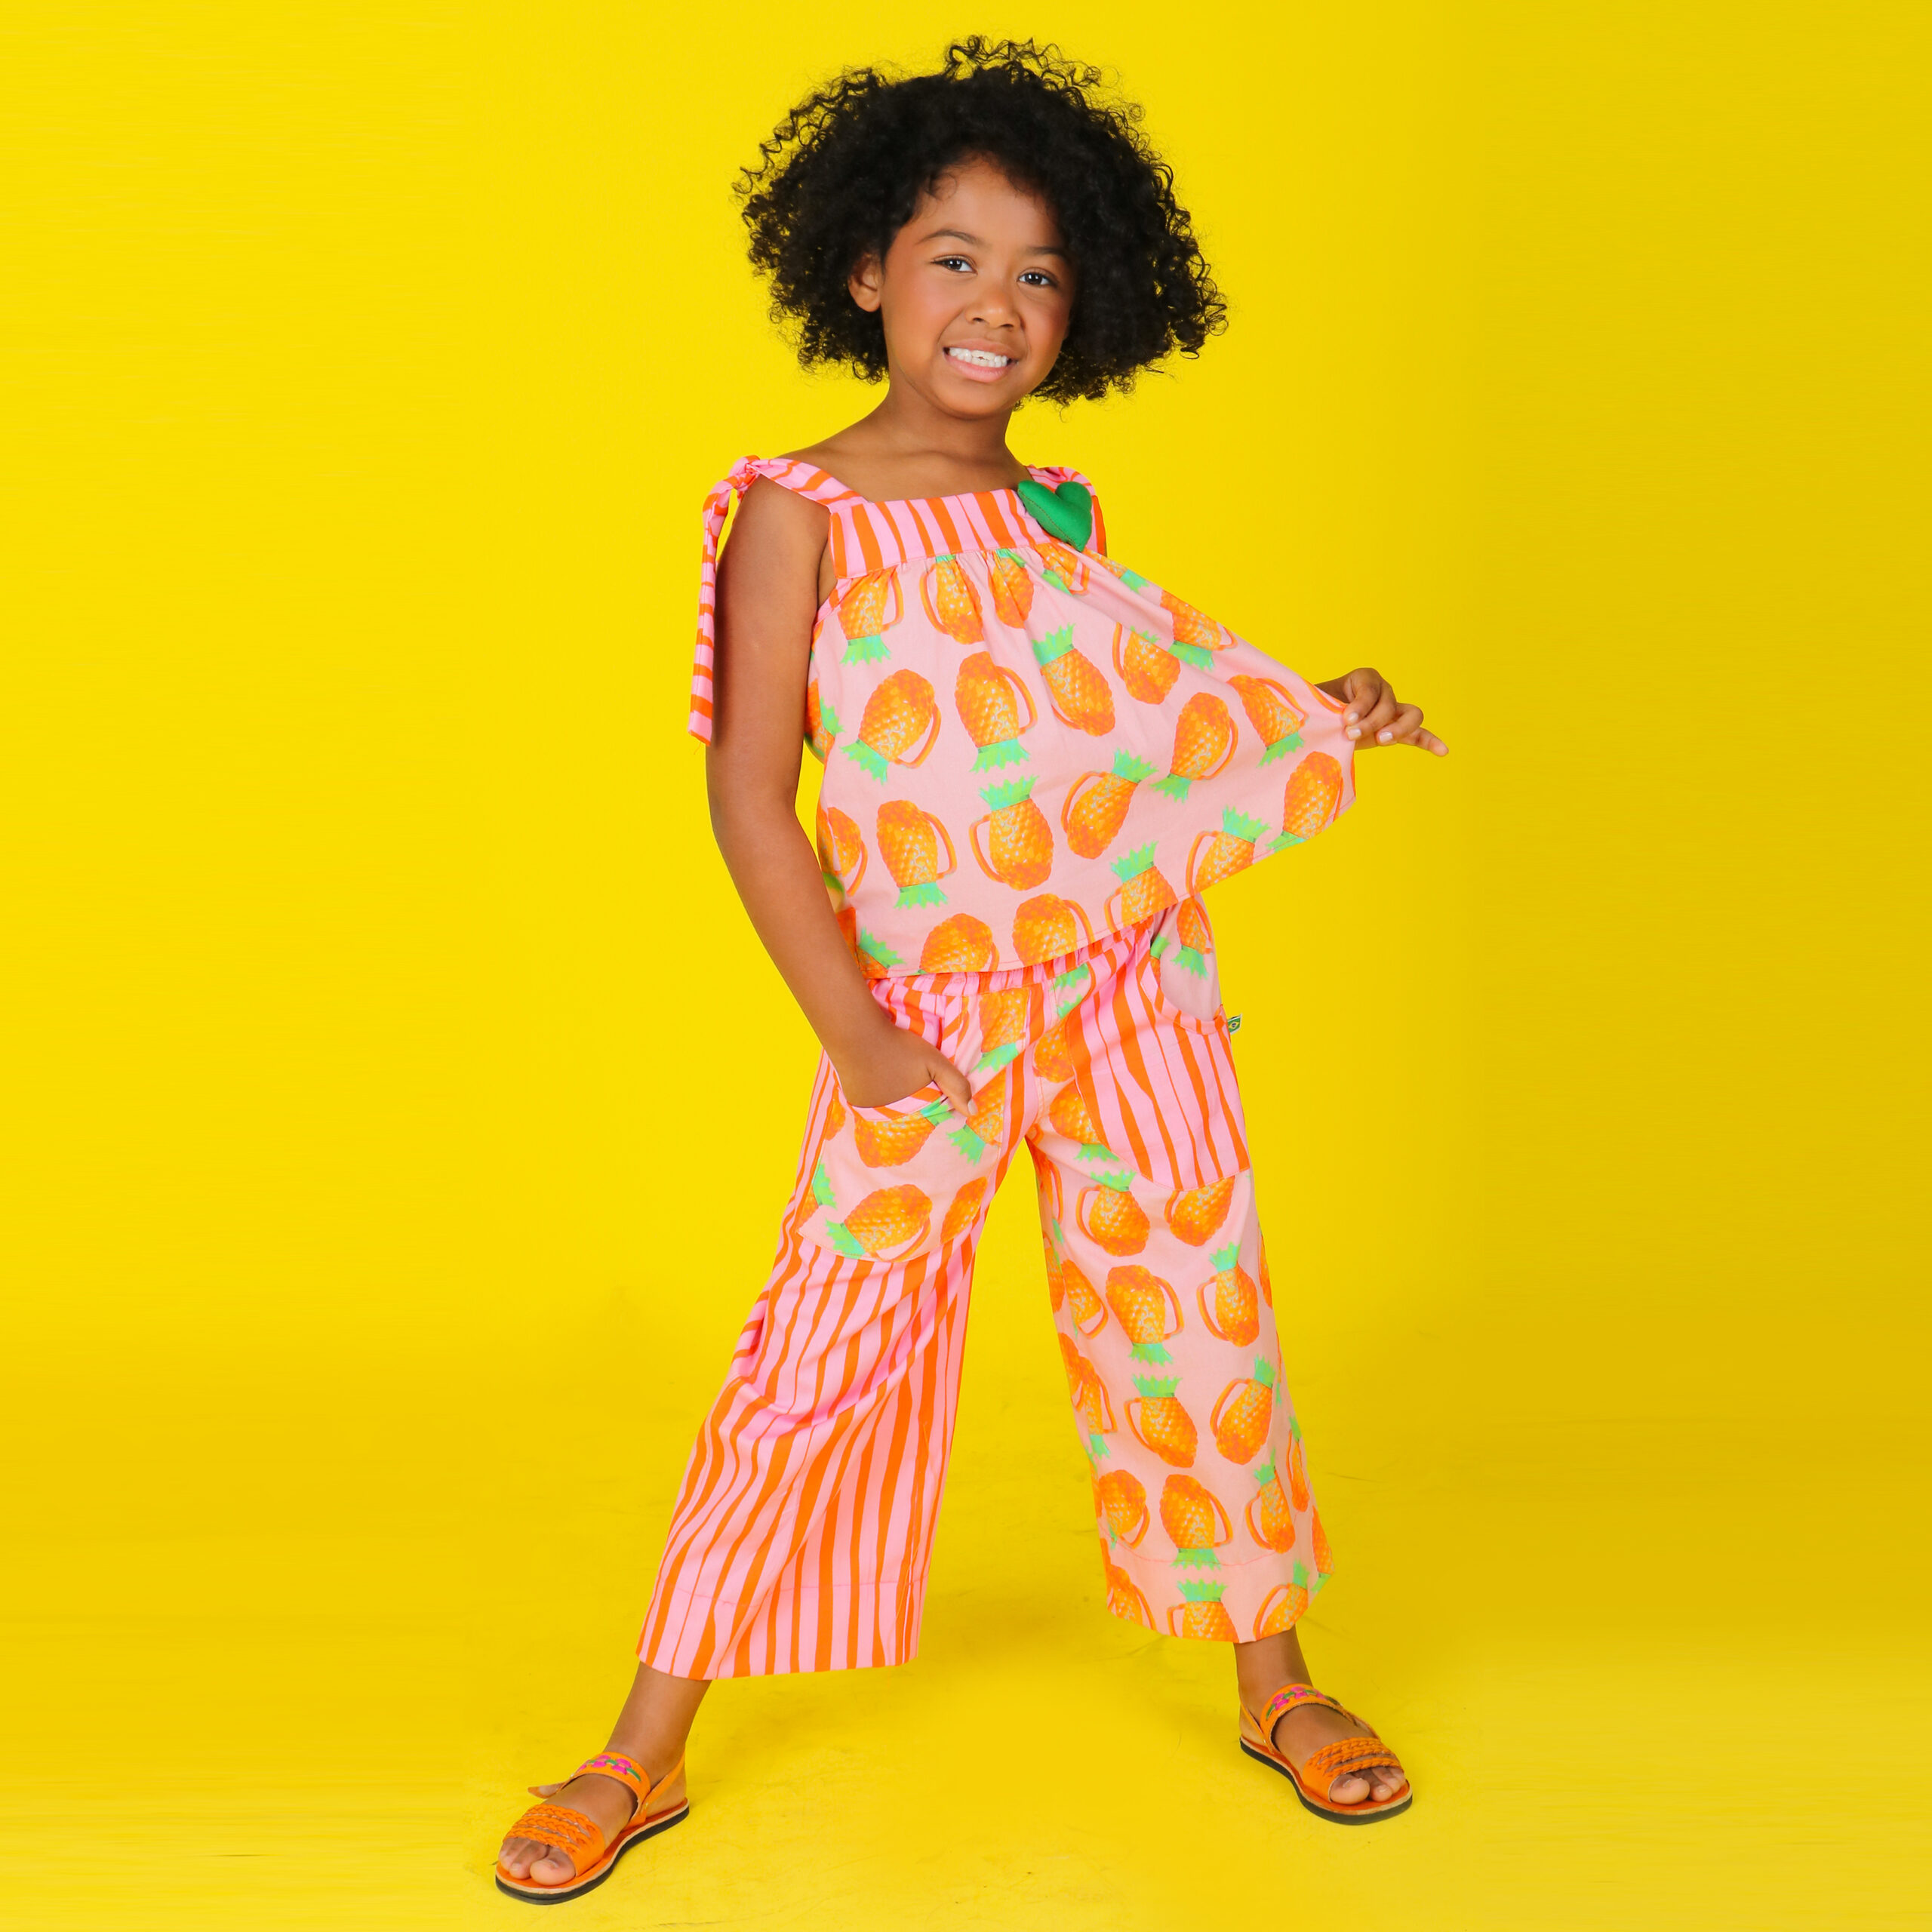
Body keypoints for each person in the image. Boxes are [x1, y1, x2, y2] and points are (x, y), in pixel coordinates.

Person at [496, 38, 1447, 1903]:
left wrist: (1306, 712)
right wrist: (853, 1034)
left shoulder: (1058, 512)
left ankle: (1275, 1679)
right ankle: (640, 1741)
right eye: (951, 258)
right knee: (819, 1344)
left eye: (1036, 273)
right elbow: (747, 789)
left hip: (1128, 988)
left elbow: (1133, 730)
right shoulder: (799, 508)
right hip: (919, 1016)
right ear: (863, 268)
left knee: (1196, 1312)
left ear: (1084, 306)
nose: (993, 304)